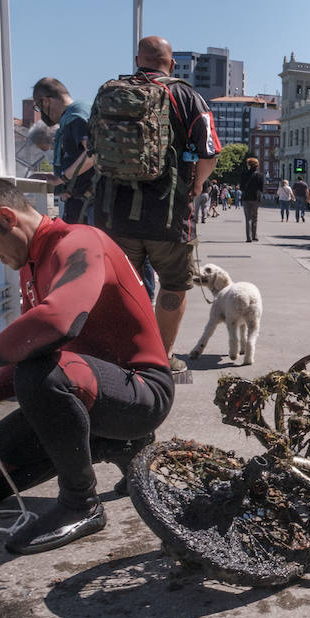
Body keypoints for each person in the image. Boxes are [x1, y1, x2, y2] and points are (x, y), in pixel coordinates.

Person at [0, 176, 173, 555]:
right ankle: (117, 445)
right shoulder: (30, 264)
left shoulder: (79, 242)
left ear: (7, 217)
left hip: (141, 393)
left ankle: (80, 504)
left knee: (40, 376)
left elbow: (56, 322)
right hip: (82, 387)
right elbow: (29, 349)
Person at [91, 36, 220, 376]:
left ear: (137, 59)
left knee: (120, 286)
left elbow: (93, 148)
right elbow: (210, 151)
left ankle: (121, 357)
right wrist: (196, 185)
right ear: (171, 63)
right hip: (169, 214)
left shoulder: (109, 92)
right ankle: (159, 360)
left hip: (114, 215)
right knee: (174, 285)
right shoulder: (186, 96)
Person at [32, 77, 93, 224]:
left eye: (39, 108)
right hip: (88, 200)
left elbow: (92, 154)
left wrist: (61, 179)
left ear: (46, 101)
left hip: (88, 206)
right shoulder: (85, 109)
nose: (41, 113)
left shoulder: (75, 118)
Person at [240, 157, 263, 242]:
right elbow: (261, 188)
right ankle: (254, 236)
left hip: (246, 197)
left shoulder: (244, 174)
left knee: (248, 218)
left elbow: (242, 187)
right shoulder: (260, 175)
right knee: (255, 217)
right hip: (256, 198)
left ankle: (248, 237)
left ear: (248, 165)